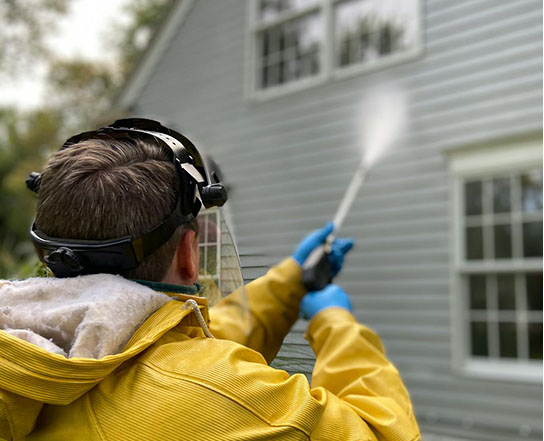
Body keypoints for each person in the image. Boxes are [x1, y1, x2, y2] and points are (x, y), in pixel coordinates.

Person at [0, 119, 421, 441]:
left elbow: (178, 351)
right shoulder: (212, 400)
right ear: (188, 253)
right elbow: (382, 432)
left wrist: (291, 281)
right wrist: (336, 324)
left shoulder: (38, 348)